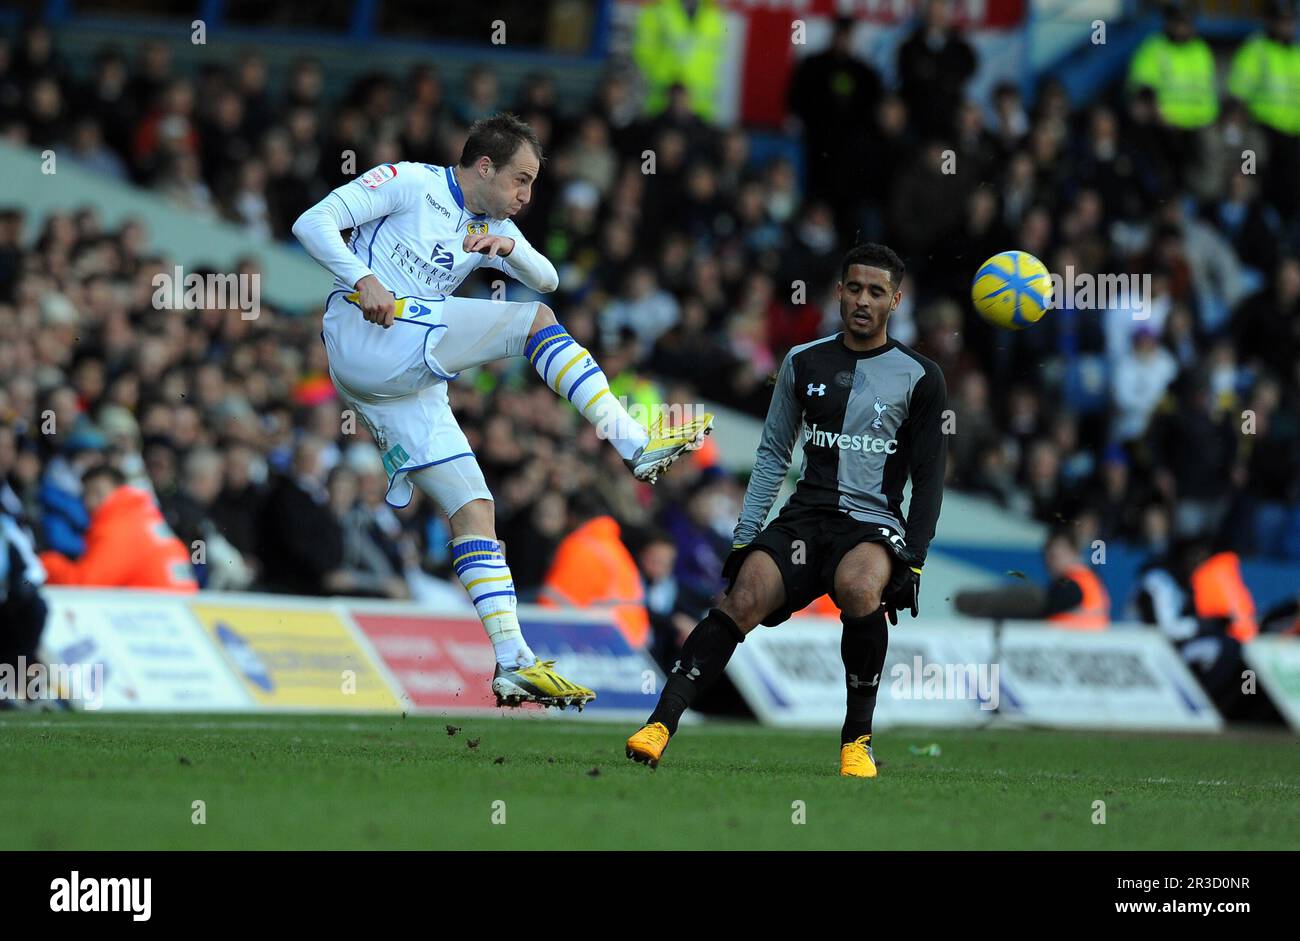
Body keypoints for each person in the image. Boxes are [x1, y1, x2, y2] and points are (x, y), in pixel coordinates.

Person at [292, 113, 713, 709]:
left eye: (534, 183)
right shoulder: (411, 183)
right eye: (521, 179)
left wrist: (510, 250)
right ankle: (633, 443)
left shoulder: (488, 225)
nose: (526, 195)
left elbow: (549, 276)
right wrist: (363, 279)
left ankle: (512, 660)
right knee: (531, 324)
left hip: (399, 378)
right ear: (484, 166)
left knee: (475, 509)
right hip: (366, 334)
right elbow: (313, 222)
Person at [626, 244, 948, 778]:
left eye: (875, 292)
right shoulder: (802, 361)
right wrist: (744, 538)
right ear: (839, 292)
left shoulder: (921, 376)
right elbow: (773, 453)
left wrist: (912, 559)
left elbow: (929, 475)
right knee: (742, 597)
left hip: (870, 525)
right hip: (805, 519)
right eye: (853, 288)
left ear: (896, 299)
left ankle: (856, 742)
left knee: (861, 587)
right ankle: (659, 725)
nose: (862, 300)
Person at [37, 465, 198, 592]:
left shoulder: (119, 526)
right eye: (86, 494)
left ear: (119, 490)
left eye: (98, 493)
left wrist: (45, 562)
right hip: (179, 609)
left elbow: (85, 585)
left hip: (156, 615)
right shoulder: (143, 516)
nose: (90, 502)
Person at [953, 528, 1110, 629]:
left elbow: (1040, 609)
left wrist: (988, 614)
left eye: (1056, 555)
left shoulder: (1071, 585)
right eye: (1048, 556)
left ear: (1074, 552)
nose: (1051, 562)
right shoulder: (1088, 580)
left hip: (1071, 647)